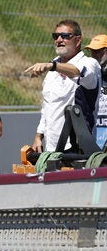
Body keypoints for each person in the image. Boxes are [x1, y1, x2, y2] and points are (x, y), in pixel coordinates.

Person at [26, 20, 101, 153]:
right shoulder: (53, 65)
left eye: (65, 36)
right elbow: (47, 105)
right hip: (51, 146)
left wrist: (53, 66)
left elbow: (78, 72)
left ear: (78, 40)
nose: (59, 40)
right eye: (56, 36)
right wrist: (39, 136)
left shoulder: (90, 63)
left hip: (78, 148)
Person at [85, 35, 107, 148]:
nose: (94, 55)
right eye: (92, 51)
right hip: (95, 133)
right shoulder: (91, 74)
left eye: (98, 51)